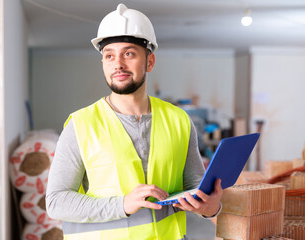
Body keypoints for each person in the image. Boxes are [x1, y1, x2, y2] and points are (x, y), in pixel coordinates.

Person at [46, 4, 223, 240]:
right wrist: (122, 204)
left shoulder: (179, 120)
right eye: (109, 55)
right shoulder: (80, 125)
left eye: (128, 53)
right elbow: (56, 202)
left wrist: (210, 209)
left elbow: (195, 187)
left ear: (150, 62)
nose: (117, 63)